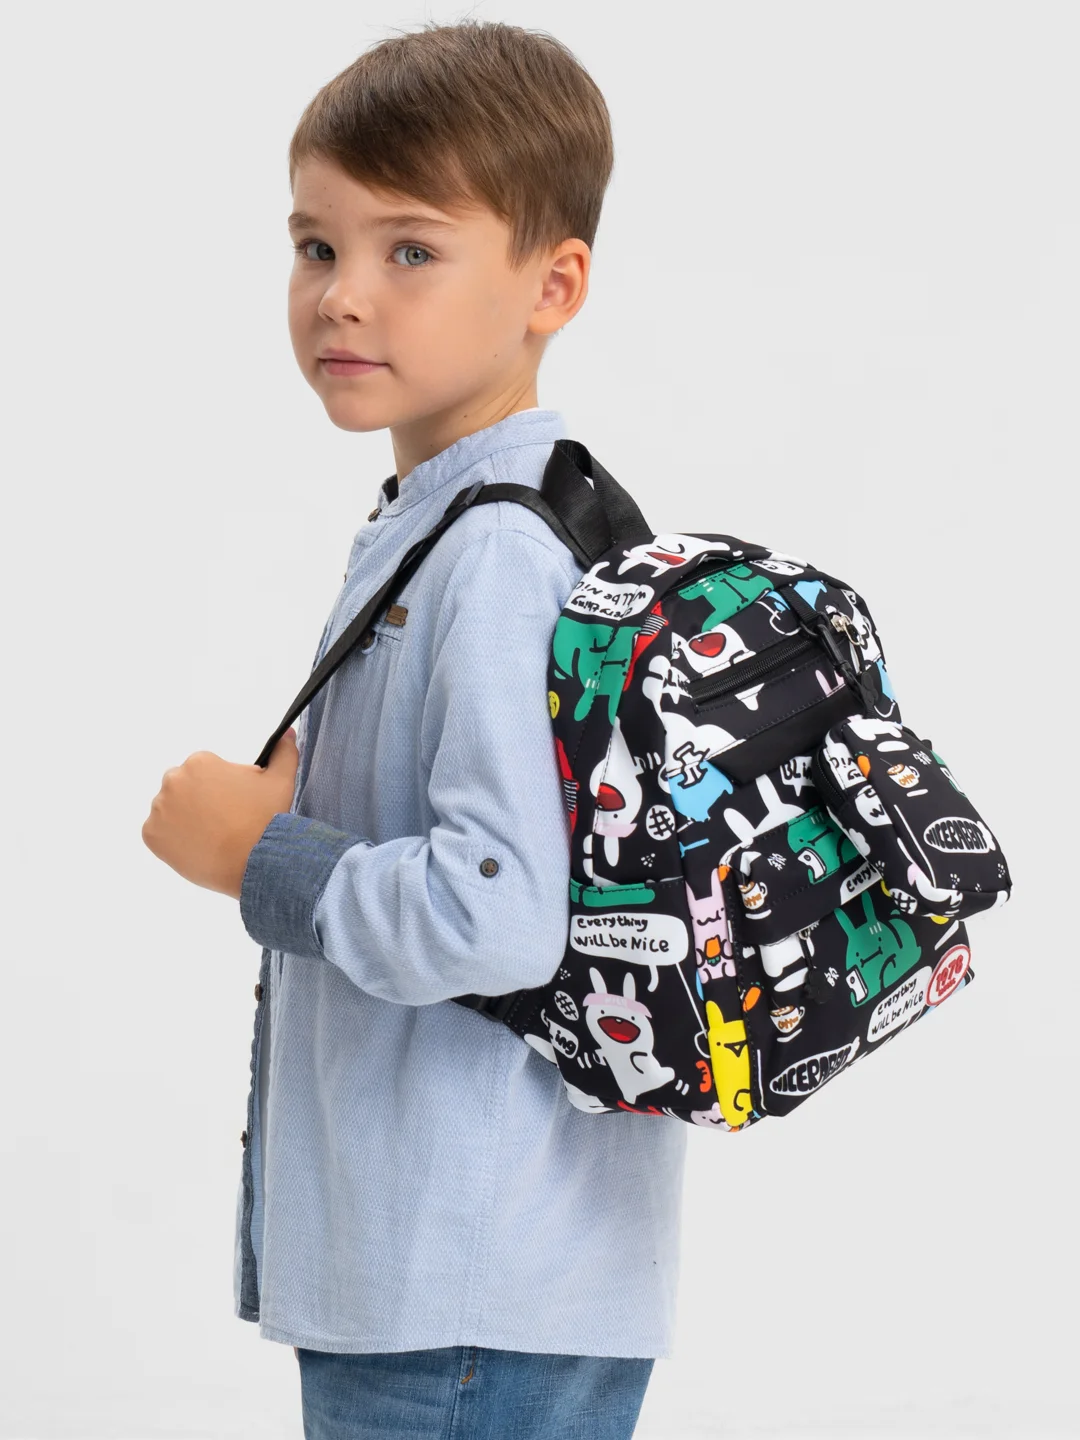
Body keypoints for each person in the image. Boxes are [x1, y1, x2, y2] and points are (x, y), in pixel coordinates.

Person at [141, 18, 688, 1439]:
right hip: (474, 1276)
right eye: (317, 246)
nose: (343, 296)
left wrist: (256, 857)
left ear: (553, 284)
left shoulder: (496, 551)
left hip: (464, 1294)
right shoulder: (455, 521)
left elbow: (498, 914)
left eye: (411, 251)